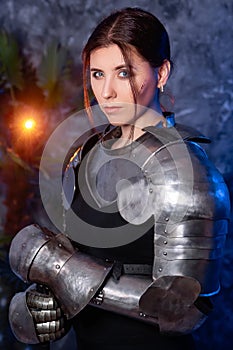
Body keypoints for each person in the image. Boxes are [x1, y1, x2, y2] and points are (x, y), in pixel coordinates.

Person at [8, 7, 230, 350]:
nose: (106, 91)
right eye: (97, 74)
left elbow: (185, 310)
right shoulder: (86, 154)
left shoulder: (188, 172)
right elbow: (72, 258)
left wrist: (65, 274)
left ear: (162, 73)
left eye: (123, 73)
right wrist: (41, 308)